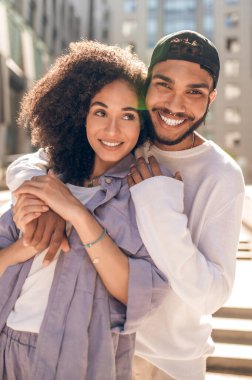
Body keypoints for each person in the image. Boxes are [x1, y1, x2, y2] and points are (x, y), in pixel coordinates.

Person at [6, 31, 245, 380]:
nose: (176, 104)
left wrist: (158, 210)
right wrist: (43, 198)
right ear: (147, 88)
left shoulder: (221, 174)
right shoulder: (128, 138)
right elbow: (36, 161)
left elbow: (209, 296)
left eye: (194, 91)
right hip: (100, 342)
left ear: (211, 97)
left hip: (164, 359)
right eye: (164, 85)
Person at [0, 40, 169, 380]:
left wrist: (76, 213)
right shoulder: (47, 179)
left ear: (144, 123)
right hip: (9, 344)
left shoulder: (144, 193)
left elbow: (142, 294)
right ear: (81, 115)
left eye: (128, 116)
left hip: (82, 360)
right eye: (100, 112)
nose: (111, 130)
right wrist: (24, 248)